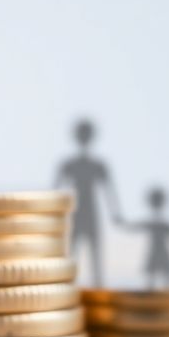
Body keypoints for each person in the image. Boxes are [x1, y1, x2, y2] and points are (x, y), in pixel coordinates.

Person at [54, 119, 123, 287]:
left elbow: (109, 191)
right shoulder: (69, 164)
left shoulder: (98, 165)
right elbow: (55, 191)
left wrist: (115, 214)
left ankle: (98, 287)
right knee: (72, 252)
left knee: (95, 253)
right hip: (76, 211)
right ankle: (67, 287)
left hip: (91, 211)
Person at [118, 187, 169, 289]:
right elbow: (131, 227)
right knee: (152, 280)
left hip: (162, 253)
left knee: (166, 280)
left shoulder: (166, 224)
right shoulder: (157, 223)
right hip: (154, 253)